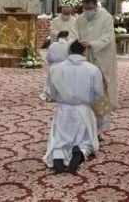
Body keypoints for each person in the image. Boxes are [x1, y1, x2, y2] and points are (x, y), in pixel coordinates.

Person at [42, 40, 103, 174]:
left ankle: (58, 155)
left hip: (63, 110)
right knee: (85, 140)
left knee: (59, 138)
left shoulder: (56, 69)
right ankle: (80, 153)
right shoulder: (93, 69)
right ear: (84, 51)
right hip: (83, 110)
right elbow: (99, 94)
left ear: (69, 51)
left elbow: (51, 93)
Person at [72, 0, 118, 109]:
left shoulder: (106, 17)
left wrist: (92, 44)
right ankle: (88, 102)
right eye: (85, 8)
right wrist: (78, 42)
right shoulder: (80, 18)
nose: (87, 11)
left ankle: (107, 103)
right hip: (86, 54)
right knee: (86, 78)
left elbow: (108, 36)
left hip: (103, 53)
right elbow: (74, 33)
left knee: (103, 79)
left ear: (96, 6)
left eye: (90, 8)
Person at [40, 31, 70, 101]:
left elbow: (48, 57)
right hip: (66, 66)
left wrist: (51, 64)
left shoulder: (52, 45)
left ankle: (51, 96)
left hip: (54, 66)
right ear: (66, 37)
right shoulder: (68, 45)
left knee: (52, 81)